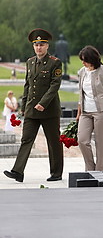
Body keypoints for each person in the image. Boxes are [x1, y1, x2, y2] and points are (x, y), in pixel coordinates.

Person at [3, 28, 64, 183]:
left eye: (42, 45)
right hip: (31, 110)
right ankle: (18, 171)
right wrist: (23, 107)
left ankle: (56, 173)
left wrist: (43, 103)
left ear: (47, 46)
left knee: (53, 142)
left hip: (49, 110)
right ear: (33, 46)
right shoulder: (30, 62)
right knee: (26, 139)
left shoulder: (55, 63)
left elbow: (54, 86)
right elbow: (27, 86)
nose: (39, 48)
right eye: (36, 45)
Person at [76, 45, 103, 171]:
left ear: (93, 59)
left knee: (101, 144)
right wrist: (79, 112)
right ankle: (90, 168)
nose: (83, 63)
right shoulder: (82, 72)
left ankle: (101, 171)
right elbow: (81, 93)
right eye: (82, 60)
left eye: (85, 60)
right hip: (86, 112)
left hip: (102, 111)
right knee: (82, 140)